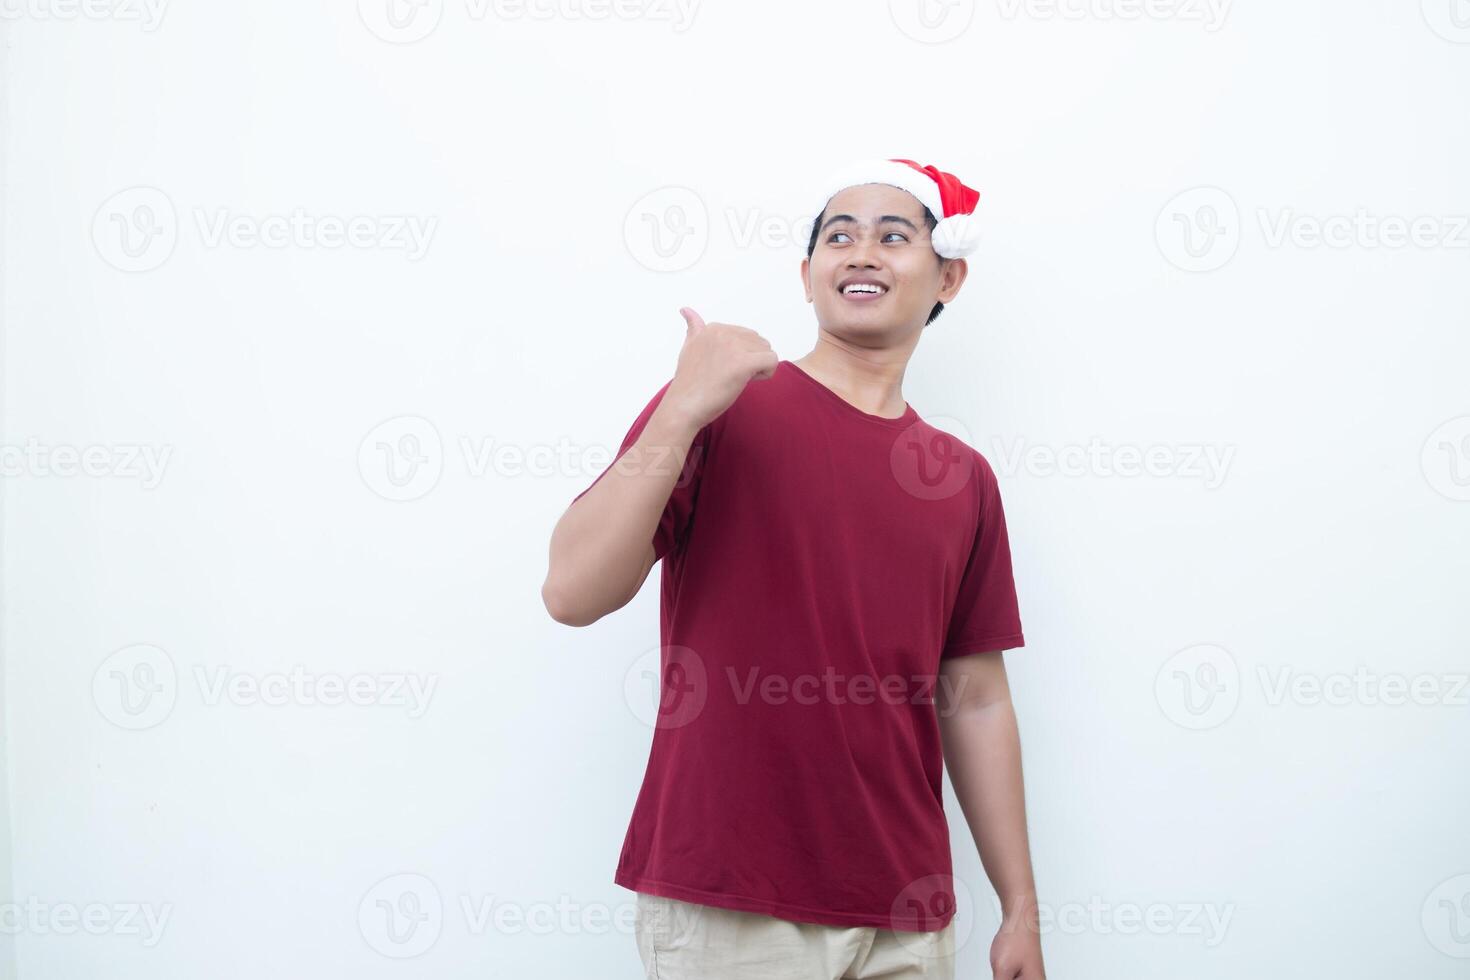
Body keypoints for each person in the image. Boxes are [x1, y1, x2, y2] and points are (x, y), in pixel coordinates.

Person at [543, 158, 1045, 980]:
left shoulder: (962, 478)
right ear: (807, 276)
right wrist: (682, 405)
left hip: (906, 911)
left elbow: (978, 698)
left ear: (948, 274)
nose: (861, 253)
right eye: (837, 237)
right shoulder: (722, 403)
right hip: (731, 900)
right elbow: (571, 591)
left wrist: (1019, 909)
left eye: (894, 236)